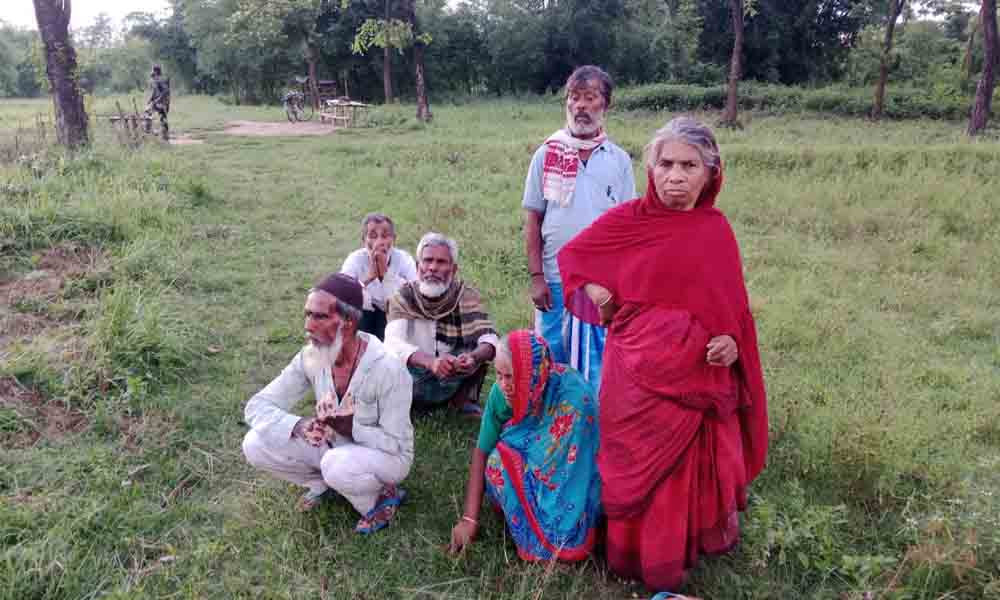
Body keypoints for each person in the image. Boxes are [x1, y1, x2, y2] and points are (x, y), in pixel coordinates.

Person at [557, 116, 769, 593]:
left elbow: (732, 310)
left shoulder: (716, 232)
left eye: (689, 165)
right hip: (632, 373)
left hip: (696, 379)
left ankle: (677, 555)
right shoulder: (629, 221)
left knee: (683, 475)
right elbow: (572, 259)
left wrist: (730, 344)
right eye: (666, 164)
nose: (676, 176)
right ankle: (631, 556)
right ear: (650, 169)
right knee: (632, 467)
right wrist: (598, 290)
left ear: (711, 172)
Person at [242, 273, 414, 533]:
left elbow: (395, 443)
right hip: (336, 447)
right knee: (255, 443)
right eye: (307, 314)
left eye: (319, 316)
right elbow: (256, 406)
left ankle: (379, 500)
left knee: (336, 464)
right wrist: (299, 425)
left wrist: (349, 427)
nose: (308, 326)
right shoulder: (310, 356)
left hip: (388, 457)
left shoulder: (389, 369)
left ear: (348, 321)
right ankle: (323, 485)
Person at [522, 65, 636, 391]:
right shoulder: (547, 154)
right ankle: (551, 422)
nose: (581, 106)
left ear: (606, 105)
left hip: (600, 284)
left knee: (595, 357)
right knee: (552, 350)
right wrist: (536, 277)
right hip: (554, 277)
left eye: (590, 98)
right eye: (574, 98)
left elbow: (629, 225)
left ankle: (589, 420)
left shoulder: (618, 160)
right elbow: (533, 219)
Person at [448, 330, 601, 562]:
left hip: (570, 483)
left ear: (534, 376)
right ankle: (533, 525)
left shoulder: (575, 399)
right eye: (498, 375)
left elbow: (583, 462)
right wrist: (469, 519)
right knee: (496, 463)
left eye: (510, 377)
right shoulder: (501, 395)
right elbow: (482, 451)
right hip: (529, 469)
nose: (503, 385)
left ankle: (565, 531)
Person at [384, 232, 498, 417]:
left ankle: (462, 401)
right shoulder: (404, 296)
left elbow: (490, 339)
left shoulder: (466, 295)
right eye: (427, 261)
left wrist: (473, 358)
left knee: (479, 346)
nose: (432, 268)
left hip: (453, 373)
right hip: (414, 376)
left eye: (441, 262)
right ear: (417, 266)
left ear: (453, 270)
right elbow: (392, 343)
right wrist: (431, 363)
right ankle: (409, 407)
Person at [340, 213, 418, 340]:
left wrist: (386, 275)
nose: (379, 242)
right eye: (372, 236)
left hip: (394, 314)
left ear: (394, 239)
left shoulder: (404, 259)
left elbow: (416, 293)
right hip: (365, 315)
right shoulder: (355, 259)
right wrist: (369, 277)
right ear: (363, 240)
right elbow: (341, 293)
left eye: (385, 236)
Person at [146, 64, 170, 141]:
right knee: (161, 117)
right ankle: (164, 135)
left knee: (149, 112)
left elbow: (166, 91)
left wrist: (157, 100)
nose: (151, 72)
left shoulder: (161, 79)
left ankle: (148, 132)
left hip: (162, 103)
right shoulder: (156, 79)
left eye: (152, 70)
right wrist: (150, 99)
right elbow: (155, 91)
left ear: (156, 71)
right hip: (160, 102)